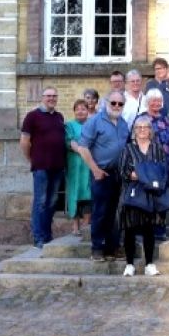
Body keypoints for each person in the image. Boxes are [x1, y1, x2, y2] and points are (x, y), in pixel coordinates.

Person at [76, 91, 130, 262]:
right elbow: (83, 148)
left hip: (118, 174)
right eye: (113, 103)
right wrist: (95, 169)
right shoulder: (95, 122)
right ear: (107, 103)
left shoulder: (123, 124)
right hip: (101, 173)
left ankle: (112, 247)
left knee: (115, 213)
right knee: (100, 211)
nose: (116, 106)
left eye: (120, 104)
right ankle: (97, 248)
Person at [117, 117, 169, 277]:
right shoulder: (128, 149)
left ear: (150, 130)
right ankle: (130, 264)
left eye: (145, 127)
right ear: (134, 131)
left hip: (150, 195)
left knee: (149, 230)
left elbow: (162, 170)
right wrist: (143, 174)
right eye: (138, 127)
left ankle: (149, 264)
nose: (141, 130)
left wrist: (140, 174)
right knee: (130, 230)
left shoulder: (157, 148)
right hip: (133, 194)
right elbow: (123, 171)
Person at [19, 87, 66, 249]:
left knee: (52, 202)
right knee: (40, 202)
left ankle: (47, 235)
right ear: (42, 97)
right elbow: (24, 141)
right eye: (48, 96)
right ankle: (38, 237)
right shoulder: (32, 116)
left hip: (58, 166)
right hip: (41, 167)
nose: (51, 98)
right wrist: (31, 159)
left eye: (54, 96)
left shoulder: (59, 117)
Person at [132, 89, 169, 241]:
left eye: (159, 100)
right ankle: (142, 232)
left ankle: (160, 231)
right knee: (146, 199)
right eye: (153, 100)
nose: (156, 103)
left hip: (163, 167)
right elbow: (134, 142)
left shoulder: (165, 119)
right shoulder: (141, 119)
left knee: (161, 199)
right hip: (147, 166)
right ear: (147, 102)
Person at [64, 99, 92, 237]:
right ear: (74, 111)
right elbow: (70, 141)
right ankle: (75, 227)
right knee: (74, 194)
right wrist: (81, 150)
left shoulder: (92, 125)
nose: (80, 111)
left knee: (88, 194)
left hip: (89, 165)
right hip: (75, 165)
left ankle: (87, 225)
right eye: (78, 109)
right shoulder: (69, 125)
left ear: (88, 111)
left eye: (83, 109)